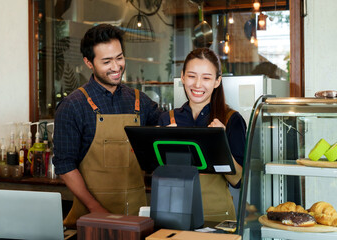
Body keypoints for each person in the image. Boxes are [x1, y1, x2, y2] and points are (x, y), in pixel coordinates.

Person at [53, 24, 161, 228]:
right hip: (91, 221)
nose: (116, 66)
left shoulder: (140, 101)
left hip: (137, 220)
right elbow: (65, 165)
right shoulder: (73, 106)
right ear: (89, 63)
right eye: (106, 61)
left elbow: (169, 128)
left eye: (119, 58)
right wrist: (97, 210)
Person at [158, 48, 246, 222]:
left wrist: (221, 143)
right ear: (182, 77)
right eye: (191, 76)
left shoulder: (231, 120)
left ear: (217, 81)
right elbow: (156, 175)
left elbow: (239, 181)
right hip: (173, 215)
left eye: (206, 78)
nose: (197, 84)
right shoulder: (167, 119)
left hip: (218, 217)